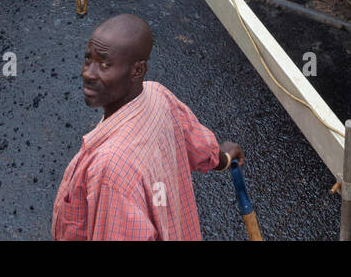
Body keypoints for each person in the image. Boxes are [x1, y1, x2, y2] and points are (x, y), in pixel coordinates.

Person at [52, 14, 244, 241]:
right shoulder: (157, 95)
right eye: (88, 59)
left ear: (137, 71)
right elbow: (198, 146)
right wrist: (224, 159)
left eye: (104, 65)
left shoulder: (110, 171)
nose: (88, 73)